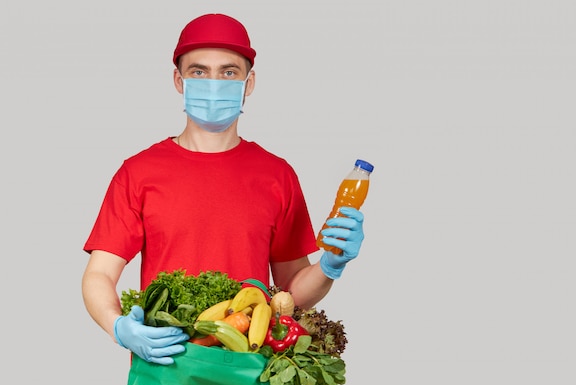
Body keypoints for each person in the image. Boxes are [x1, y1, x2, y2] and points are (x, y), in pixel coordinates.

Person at [81, 13, 367, 366]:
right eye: (199, 71)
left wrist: (329, 265)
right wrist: (119, 326)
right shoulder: (138, 173)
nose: (213, 83)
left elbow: (291, 294)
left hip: (248, 374)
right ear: (178, 80)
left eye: (228, 72)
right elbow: (99, 274)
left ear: (248, 83)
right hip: (165, 373)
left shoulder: (276, 175)